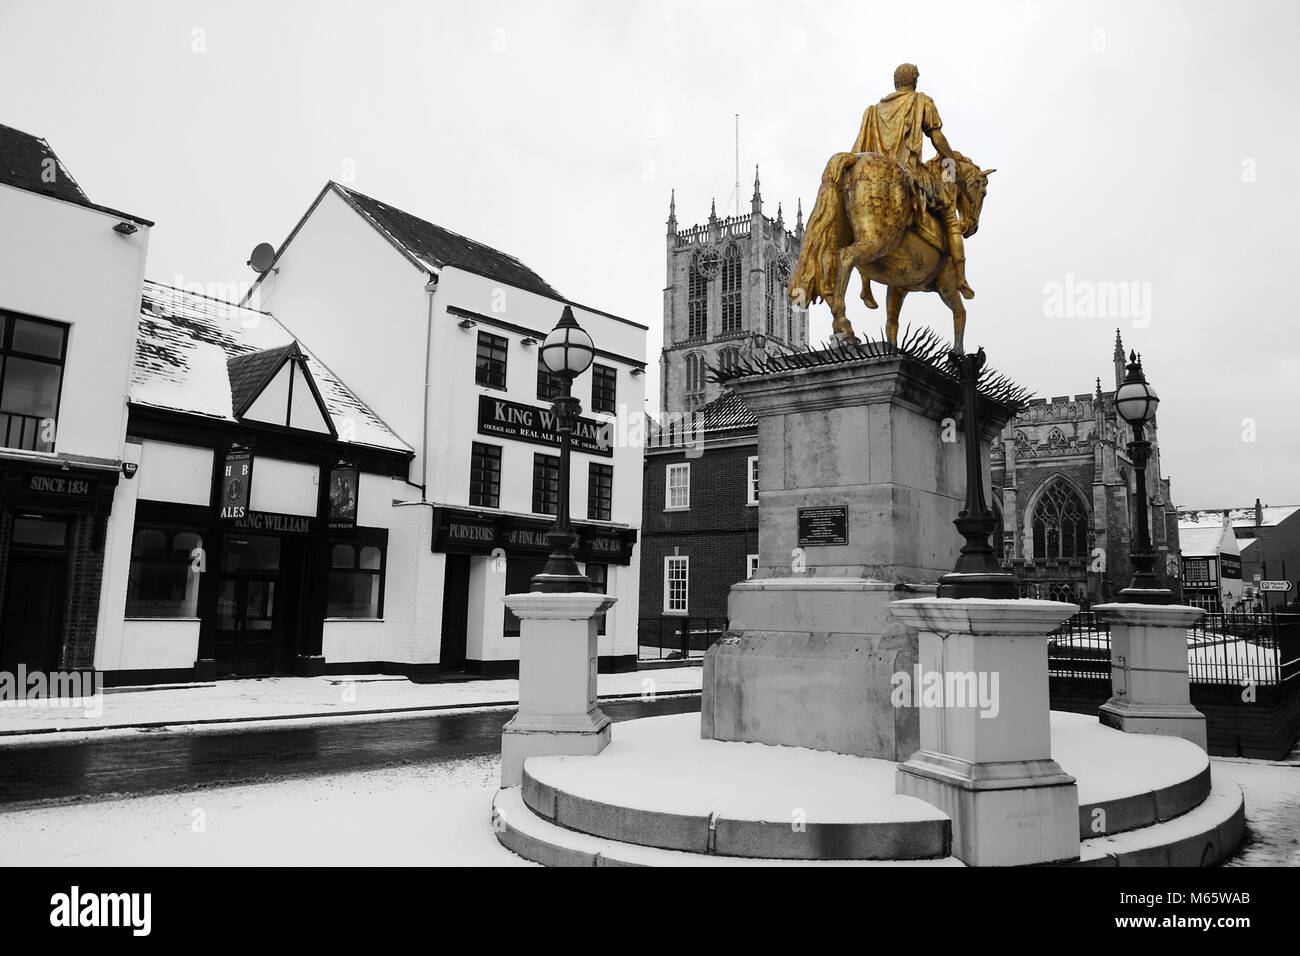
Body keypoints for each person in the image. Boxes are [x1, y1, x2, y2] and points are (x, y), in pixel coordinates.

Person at [852, 63, 974, 300]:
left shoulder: (873, 111)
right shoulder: (921, 101)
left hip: (872, 178)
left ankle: (865, 285)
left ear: (896, 82)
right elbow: (936, 137)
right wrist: (951, 161)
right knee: (949, 213)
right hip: (909, 172)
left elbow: (860, 150)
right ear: (914, 81)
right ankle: (960, 277)